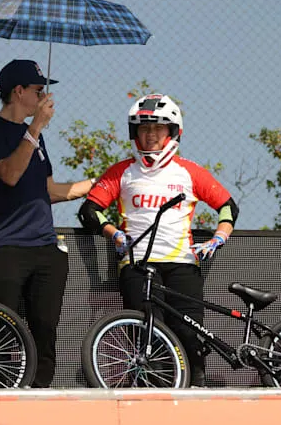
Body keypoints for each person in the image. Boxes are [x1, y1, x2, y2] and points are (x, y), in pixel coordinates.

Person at [77, 94, 239, 387]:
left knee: (190, 336)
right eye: (143, 128)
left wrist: (218, 238)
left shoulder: (189, 171)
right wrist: (114, 233)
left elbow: (228, 206)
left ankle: (197, 393)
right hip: (138, 264)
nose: (150, 135)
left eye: (158, 128)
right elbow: (89, 210)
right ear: (134, 133)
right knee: (147, 336)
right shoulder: (122, 171)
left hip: (182, 264)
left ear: (173, 131)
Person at [0, 59, 95, 388]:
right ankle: (1, 397)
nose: (44, 98)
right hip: (8, 247)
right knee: (4, 329)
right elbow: (10, 175)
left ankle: (40, 398)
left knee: (45, 330)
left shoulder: (35, 139)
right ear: (18, 91)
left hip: (45, 247)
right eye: (39, 90)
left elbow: (49, 190)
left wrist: (101, 183)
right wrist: (35, 128)